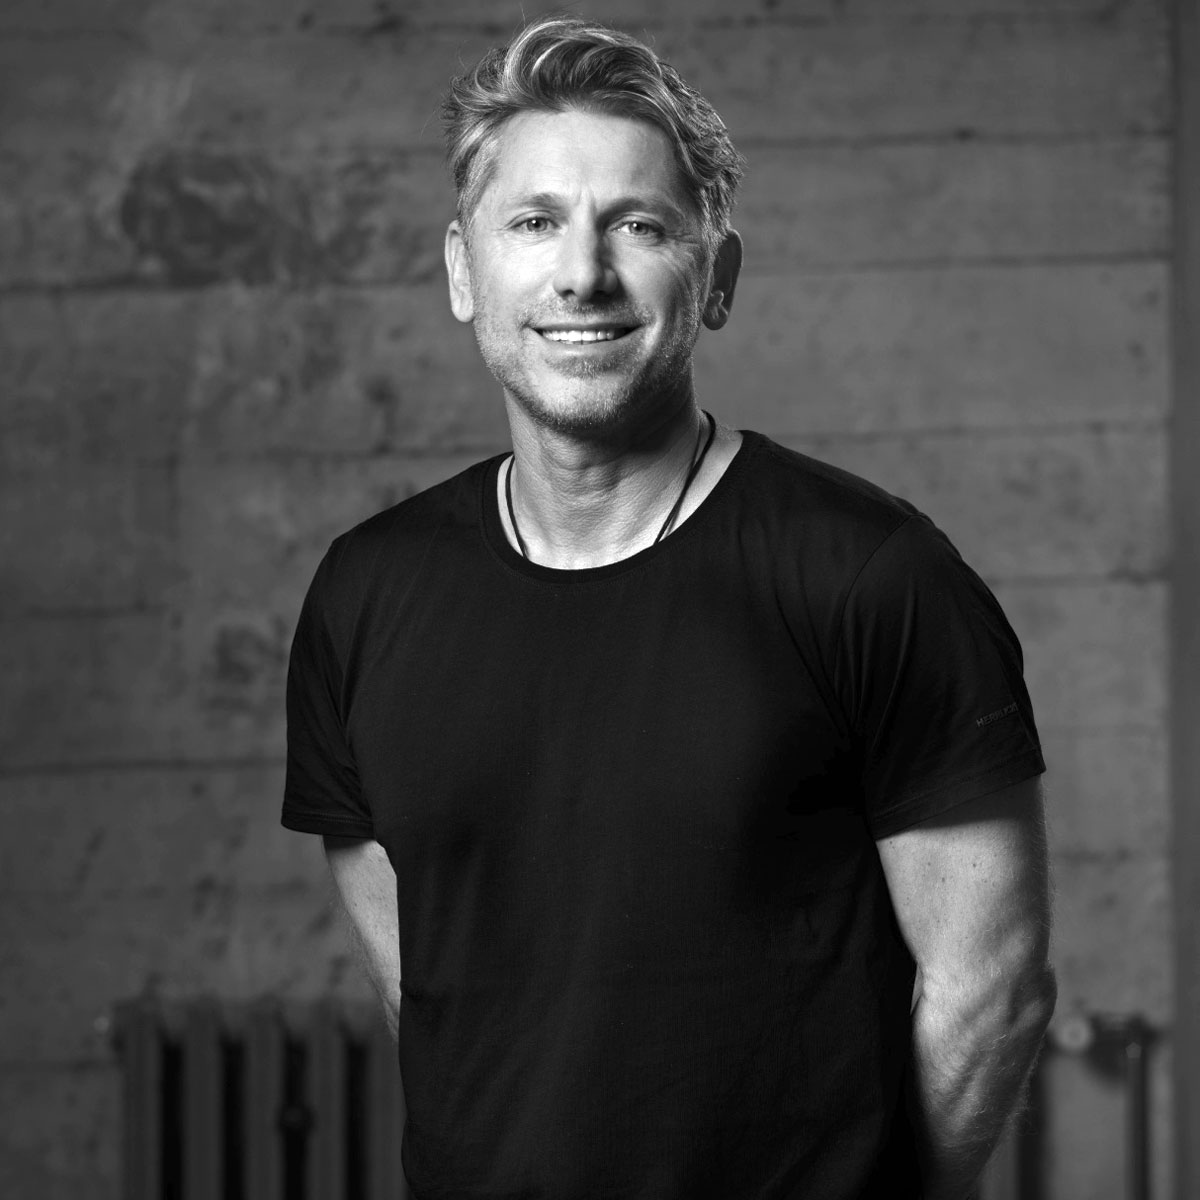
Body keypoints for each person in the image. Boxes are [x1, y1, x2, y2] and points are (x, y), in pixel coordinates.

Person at [281, 14, 1057, 1200]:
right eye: (534, 223)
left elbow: (991, 989)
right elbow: (428, 991)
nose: (581, 274)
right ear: (462, 271)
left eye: (637, 226)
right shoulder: (366, 595)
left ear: (717, 277)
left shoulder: (871, 576)